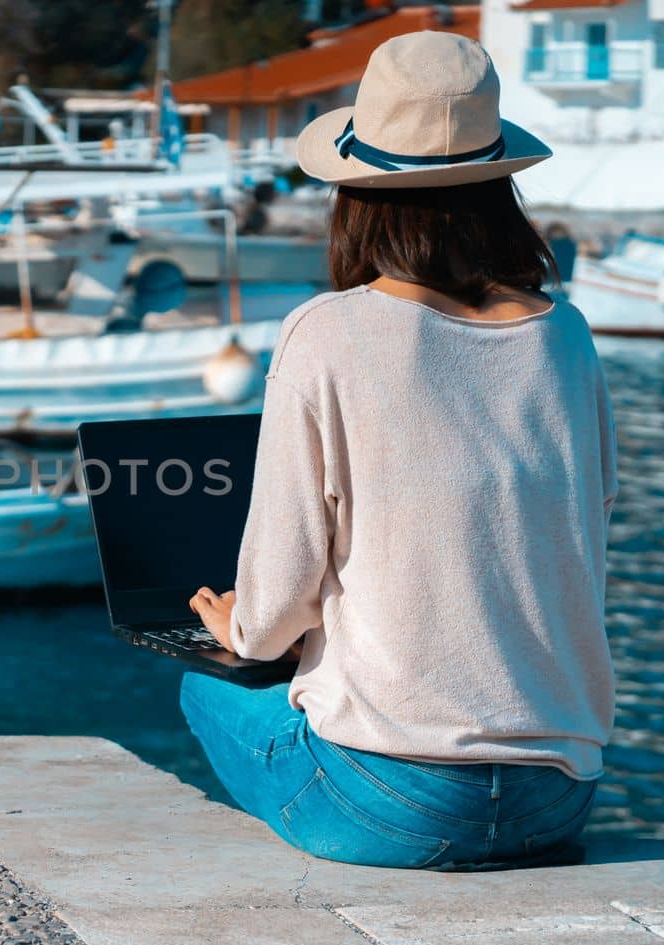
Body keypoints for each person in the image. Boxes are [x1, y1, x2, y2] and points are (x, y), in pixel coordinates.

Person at [181, 31, 618, 870]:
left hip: (393, 803)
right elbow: (583, 540)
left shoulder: (328, 333)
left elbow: (273, 614)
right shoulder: (566, 338)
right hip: (558, 793)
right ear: (499, 187)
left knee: (206, 681)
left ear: (358, 194)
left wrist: (241, 624)